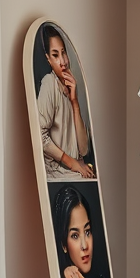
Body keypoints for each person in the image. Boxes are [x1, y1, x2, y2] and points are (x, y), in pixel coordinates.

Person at [37, 25, 94, 180]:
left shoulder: (72, 85)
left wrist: (74, 102)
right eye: (55, 55)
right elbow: (40, 137)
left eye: (63, 53)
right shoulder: (49, 83)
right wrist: (71, 163)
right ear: (48, 59)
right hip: (58, 170)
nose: (63, 62)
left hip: (76, 168)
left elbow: (83, 149)